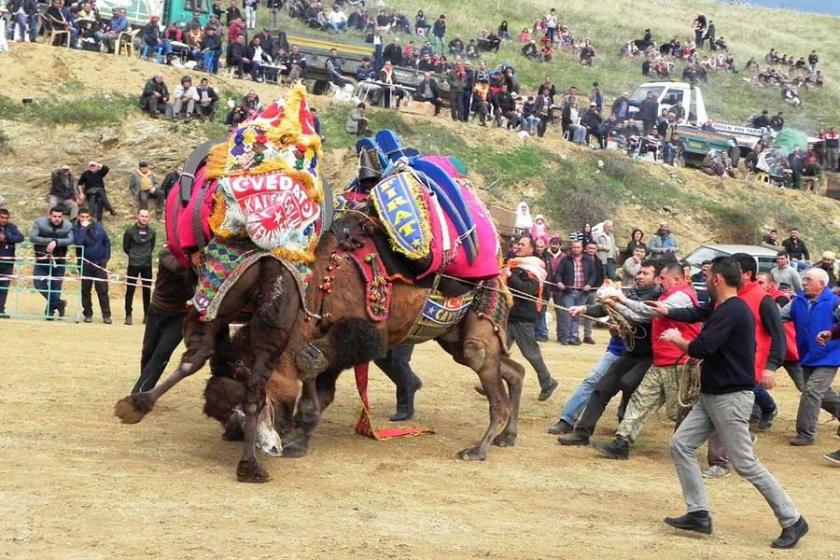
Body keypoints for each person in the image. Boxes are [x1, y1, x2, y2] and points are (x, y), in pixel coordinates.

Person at [656, 256, 807, 550]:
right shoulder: (724, 308)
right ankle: (699, 513)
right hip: (714, 395)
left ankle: (793, 520)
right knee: (681, 445)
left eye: (708, 275)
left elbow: (702, 348)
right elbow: (699, 316)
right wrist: (667, 311)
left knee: (745, 463)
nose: (704, 279)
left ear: (718, 280)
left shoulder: (732, 311)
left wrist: (676, 338)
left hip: (731, 397)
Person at [592, 262, 700, 459]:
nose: (660, 281)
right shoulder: (667, 296)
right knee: (639, 400)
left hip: (679, 362)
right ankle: (621, 443)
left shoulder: (683, 296)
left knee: (679, 411)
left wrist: (621, 298)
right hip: (661, 362)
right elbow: (639, 316)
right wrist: (615, 305)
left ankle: (721, 438)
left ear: (677, 279)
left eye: (663, 278)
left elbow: (650, 311)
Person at [558, 260, 662, 446]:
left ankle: (623, 438)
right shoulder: (631, 293)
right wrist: (585, 308)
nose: (639, 276)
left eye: (645, 273)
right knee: (601, 387)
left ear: (657, 278)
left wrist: (624, 320)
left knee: (628, 384)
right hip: (629, 353)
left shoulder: (659, 299)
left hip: (649, 356)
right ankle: (582, 433)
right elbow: (608, 307)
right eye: (639, 272)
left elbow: (639, 315)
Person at [781, 268, 840, 446]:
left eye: (808, 279)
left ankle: (805, 433)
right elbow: (778, 317)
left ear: (822, 284)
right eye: (803, 279)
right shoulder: (797, 301)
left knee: (812, 391)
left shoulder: (835, 302)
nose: (804, 282)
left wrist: (829, 333)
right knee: (821, 394)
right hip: (807, 354)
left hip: (830, 355)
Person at [131, 249, 196, 393]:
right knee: (148, 352)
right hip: (157, 311)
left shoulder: (202, 260)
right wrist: (194, 261)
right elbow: (177, 267)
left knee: (162, 354)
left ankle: (139, 394)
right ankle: (145, 385)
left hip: (180, 315)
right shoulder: (167, 253)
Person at [505, 236, 559, 401]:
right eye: (518, 244)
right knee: (499, 351)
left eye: (523, 244)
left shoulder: (535, 268)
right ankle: (492, 384)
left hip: (523, 317)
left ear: (531, 249)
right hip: (510, 314)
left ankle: (547, 381)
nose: (518, 246)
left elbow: (528, 289)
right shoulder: (514, 263)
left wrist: (509, 276)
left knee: (530, 353)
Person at [30, 208, 73, 319]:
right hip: (42, 259)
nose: (57, 219)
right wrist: (50, 241)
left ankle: (50, 311)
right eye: (54, 216)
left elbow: (71, 239)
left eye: (59, 217)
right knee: (38, 283)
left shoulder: (67, 225)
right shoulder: (40, 222)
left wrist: (56, 242)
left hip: (59, 260)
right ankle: (59, 303)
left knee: (56, 287)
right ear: (49, 216)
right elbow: (33, 237)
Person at [72, 208, 112, 324]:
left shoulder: (98, 227)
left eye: (87, 217)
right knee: (85, 290)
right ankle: (88, 314)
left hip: (99, 263)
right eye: (82, 217)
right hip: (85, 264)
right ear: (79, 217)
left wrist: (106, 258)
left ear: (90, 217)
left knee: (102, 290)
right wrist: (83, 228)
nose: (85, 219)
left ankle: (106, 315)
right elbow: (78, 242)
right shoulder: (76, 229)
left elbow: (106, 242)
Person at [554, 240, 597, 345]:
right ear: (571, 248)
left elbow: (593, 274)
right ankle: (566, 337)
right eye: (574, 247)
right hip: (568, 291)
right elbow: (558, 273)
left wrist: (589, 285)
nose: (576, 249)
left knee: (576, 315)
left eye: (578, 247)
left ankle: (574, 336)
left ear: (582, 248)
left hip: (582, 292)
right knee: (568, 314)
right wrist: (559, 282)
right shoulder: (565, 260)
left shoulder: (588, 260)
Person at [123, 209, 156, 325]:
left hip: (147, 264)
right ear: (138, 216)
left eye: (146, 216)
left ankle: (147, 315)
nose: (144, 218)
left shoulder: (152, 232)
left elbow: (152, 247)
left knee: (147, 291)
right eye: (142, 216)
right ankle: (128, 315)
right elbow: (125, 247)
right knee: (130, 290)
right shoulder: (130, 231)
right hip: (133, 264)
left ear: (148, 218)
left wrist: (145, 256)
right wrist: (133, 255)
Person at [374, 345, 423, 421]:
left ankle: (404, 408)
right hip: (391, 334)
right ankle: (412, 381)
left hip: (406, 335)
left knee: (399, 361)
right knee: (380, 358)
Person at [0, 208, 24, 318]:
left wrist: (6, 238)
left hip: (7, 262)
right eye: (2, 218)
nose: (4, 220)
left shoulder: (12, 227)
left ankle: (1, 309)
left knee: (4, 287)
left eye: (6, 218)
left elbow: (20, 237)